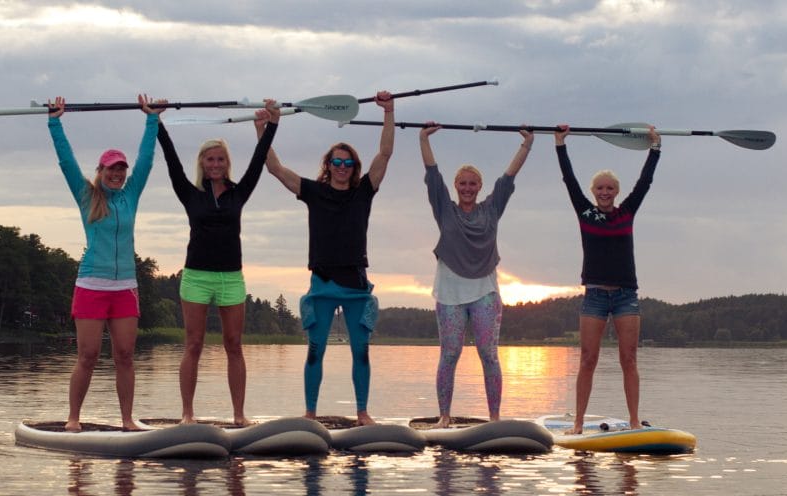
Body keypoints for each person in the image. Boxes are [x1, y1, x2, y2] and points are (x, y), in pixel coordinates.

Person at [258, 91, 395, 426]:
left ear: (354, 168)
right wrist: (263, 128)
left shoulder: (365, 191)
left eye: (348, 163)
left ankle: (362, 412)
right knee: (315, 351)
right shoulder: (313, 192)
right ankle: (310, 414)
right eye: (337, 162)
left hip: (355, 285)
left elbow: (385, 152)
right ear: (328, 165)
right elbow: (274, 167)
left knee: (360, 352)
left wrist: (388, 111)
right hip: (321, 283)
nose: (342, 167)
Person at [157, 99, 281, 426]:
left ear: (227, 163)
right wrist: (156, 123)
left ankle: (239, 415)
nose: (215, 164)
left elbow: (258, 161)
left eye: (221, 159)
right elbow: (170, 160)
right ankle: (187, 415)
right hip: (196, 276)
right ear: (202, 162)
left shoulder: (239, 192)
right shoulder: (190, 193)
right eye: (210, 159)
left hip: (231, 278)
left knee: (234, 344)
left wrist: (273, 124)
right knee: (194, 344)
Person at [49, 94, 164, 432]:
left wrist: (151, 119)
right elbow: (66, 161)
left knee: (125, 356)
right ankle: (74, 419)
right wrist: (55, 122)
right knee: (87, 356)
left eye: (121, 169)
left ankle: (127, 419)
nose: (118, 174)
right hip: (91, 286)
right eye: (112, 169)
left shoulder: (131, 194)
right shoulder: (86, 196)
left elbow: (147, 159)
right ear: (100, 171)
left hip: (125, 287)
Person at [419, 122, 534, 428]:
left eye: (473, 184)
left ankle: (494, 418)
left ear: (479, 187)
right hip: (449, 294)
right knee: (449, 355)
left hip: (484, 292)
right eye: (463, 184)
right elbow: (433, 175)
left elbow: (508, 178)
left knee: (489, 355)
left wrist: (527, 144)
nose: (467, 188)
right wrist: (423, 138)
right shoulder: (445, 209)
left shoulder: (491, 208)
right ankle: (444, 416)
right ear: (456, 187)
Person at [553, 123, 661, 434]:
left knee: (629, 359)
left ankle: (635, 421)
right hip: (595, 297)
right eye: (599, 188)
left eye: (609, 188)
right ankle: (577, 424)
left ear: (616, 192)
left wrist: (655, 148)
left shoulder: (627, 212)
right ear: (593, 191)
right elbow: (568, 180)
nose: (604, 192)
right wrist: (560, 144)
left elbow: (646, 182)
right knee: (588, 360)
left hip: (626, 295)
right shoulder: (585, 213)